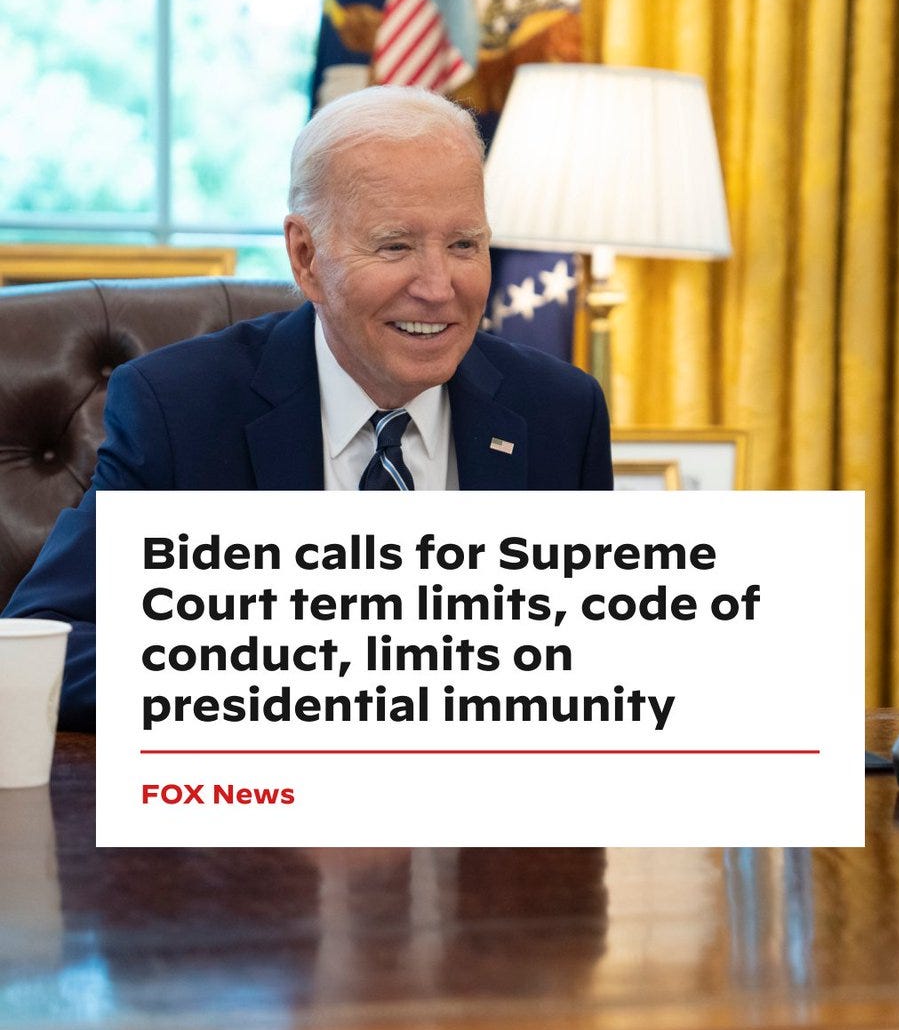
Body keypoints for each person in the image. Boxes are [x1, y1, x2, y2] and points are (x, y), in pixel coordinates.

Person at [4, 85, 613, 731]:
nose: (440, 288)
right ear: (306, 257)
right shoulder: (182, 409)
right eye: (395, 246)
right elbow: (41, 649)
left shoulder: (558, 412)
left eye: (464, 244)